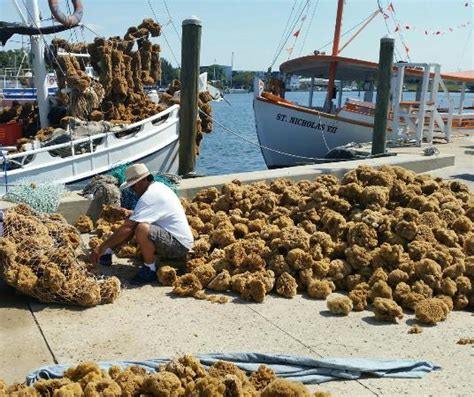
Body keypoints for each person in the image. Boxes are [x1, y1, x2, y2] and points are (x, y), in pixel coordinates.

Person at [89, 163, 194, 285]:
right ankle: (107, 254)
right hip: (178, 240)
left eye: (133, 187)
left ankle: (150, 269)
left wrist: (100, 247)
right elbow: (149, 214)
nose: (133, 190)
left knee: (141, 228)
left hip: (179, 246)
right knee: (136, 223)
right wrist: (131, 213)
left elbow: (128, 227)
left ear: (141, 181)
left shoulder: (150, 196)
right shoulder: (158, 187)